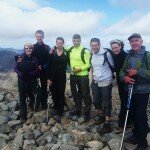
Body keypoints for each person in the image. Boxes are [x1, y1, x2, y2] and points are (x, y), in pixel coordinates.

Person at [120, 33, 150, 150]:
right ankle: (135, 135)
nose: (134, 43)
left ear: (141, 41)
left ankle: (142, 142)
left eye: (136, 40)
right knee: (132, 114)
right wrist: (125, 78)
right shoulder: (128, 56)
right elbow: (122, 71)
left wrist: (137, 72)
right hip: (130, 90)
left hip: (142, 91)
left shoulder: (147, 56)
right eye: (132, 41)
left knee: (140, 116)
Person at [90, 38, 114, 134]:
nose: (94, 47)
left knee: (106, 101)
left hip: (106, 80)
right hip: (96, 80)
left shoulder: (106, 54)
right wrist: (92, 78)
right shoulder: (91, 53)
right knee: (96, 100)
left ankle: (107, 123)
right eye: (92, 45)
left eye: (96, 45)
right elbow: (92, 67)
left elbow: (113, 65)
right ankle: (101, 116)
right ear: (91, 46)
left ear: (99, 45)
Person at [110, 39, 132, 133]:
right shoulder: (114, 55)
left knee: (125, 102)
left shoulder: (125, 55)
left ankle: (122, 124)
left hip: (127, 81)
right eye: (113, 48)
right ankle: (129, 121)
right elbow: (115, 68)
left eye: (116, 47)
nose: (115, 49)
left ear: (121, 46)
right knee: (124, 101)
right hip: (120, 81)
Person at [69, 34, 92, 122]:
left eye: (77, 40)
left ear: (80, 40)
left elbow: (88, 64)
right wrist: (53, 48)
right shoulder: (71, 49)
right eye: (74, 41)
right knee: (75, 93)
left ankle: (87, 113)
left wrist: (80, 69)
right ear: (72, 40)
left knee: (85, 94)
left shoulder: (85, 51)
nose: (76, 42)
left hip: (83, 75)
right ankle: (78, 109)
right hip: (73, 75)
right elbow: (61, 47)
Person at [14, 43, 40, 123]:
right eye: (26, 48)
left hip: (31, 81)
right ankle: (23, 116)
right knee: (22, 98)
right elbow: (15, 68)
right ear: (24, 49)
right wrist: (20, 74)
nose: (28, 50)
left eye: (30, 48)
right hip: (22, 81)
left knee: (37, 93)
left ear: (32, 49)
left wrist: (31, 74)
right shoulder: (20, 58)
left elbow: (37, 69)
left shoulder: (35, 59)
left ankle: (34, 107)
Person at [47, 37, 67, 123]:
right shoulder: (52, 53)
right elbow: (49, 66)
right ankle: (56, 107)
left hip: (62, 77)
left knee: (60, 93)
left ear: (63, 43)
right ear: (56, 43)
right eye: (58, 43)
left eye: (61, 43)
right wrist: (48, 78)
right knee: (54, 93)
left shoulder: (66, 53)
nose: (59, 44)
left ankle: (60, 112)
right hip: (53, 77)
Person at [33, 30, 51, 110]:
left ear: (43, 37)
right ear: (36, 37)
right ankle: (35, 104)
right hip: (35, 71)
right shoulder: (33, 47)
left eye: (41, 36)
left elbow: (50, 60)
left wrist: (43, 67)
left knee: (44, 88)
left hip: (44, 71)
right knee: (35, 88)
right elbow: (30, 58)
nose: (39, 37)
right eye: (38, 36)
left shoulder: (47, 47)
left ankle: (43, 105)